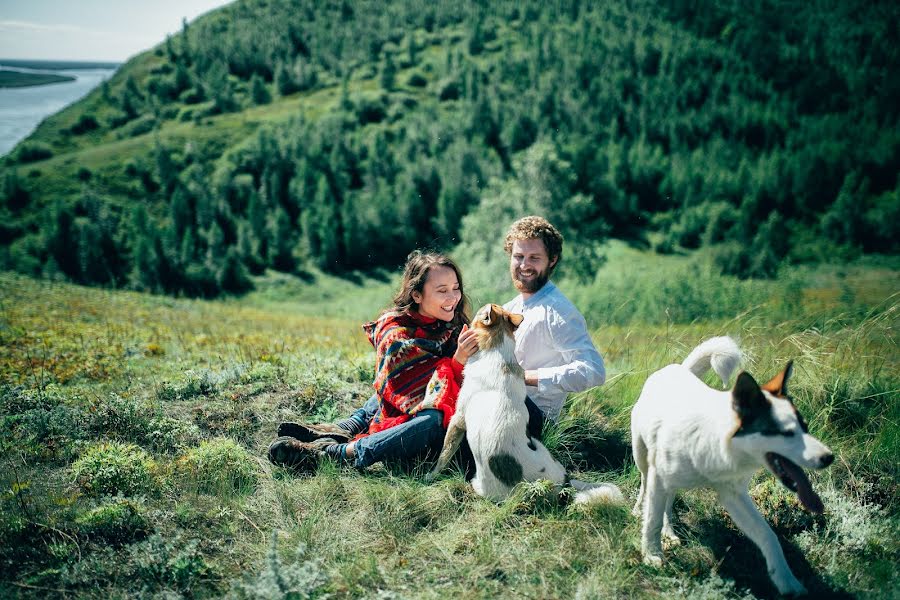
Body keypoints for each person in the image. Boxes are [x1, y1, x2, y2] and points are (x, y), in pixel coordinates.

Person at [268, 251, 480, 471]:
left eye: (456, 288)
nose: (453, 297)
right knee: (428, 417)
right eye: (442, 291)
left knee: (417, 396)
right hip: (409, 422)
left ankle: (339, 435)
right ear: (416, 295)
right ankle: (340, 452)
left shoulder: (452, 326)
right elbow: (412, 388)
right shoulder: (395, 331)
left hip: (442, 414)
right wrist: (457, 361)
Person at [501, 215, 605, 425]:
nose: (524, 265)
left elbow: (593, 370)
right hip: (506, 405)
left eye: (534, 258)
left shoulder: (558, 311)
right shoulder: (511, 307)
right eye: (519, 256)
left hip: (535, 420)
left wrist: (524, 376)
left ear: (552, 259)